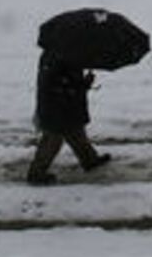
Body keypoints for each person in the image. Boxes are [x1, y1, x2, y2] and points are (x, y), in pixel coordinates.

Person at [26, 51, 112, 185]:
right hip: (57, 105)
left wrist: (83, 83)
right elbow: (57, 82)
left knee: (76, 132)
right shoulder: (55, 56)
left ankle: (89, 160)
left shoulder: (64, 52)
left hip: (67, 103)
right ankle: (36, 173)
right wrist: (79, 84)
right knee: (53, 138)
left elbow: (69, 80)